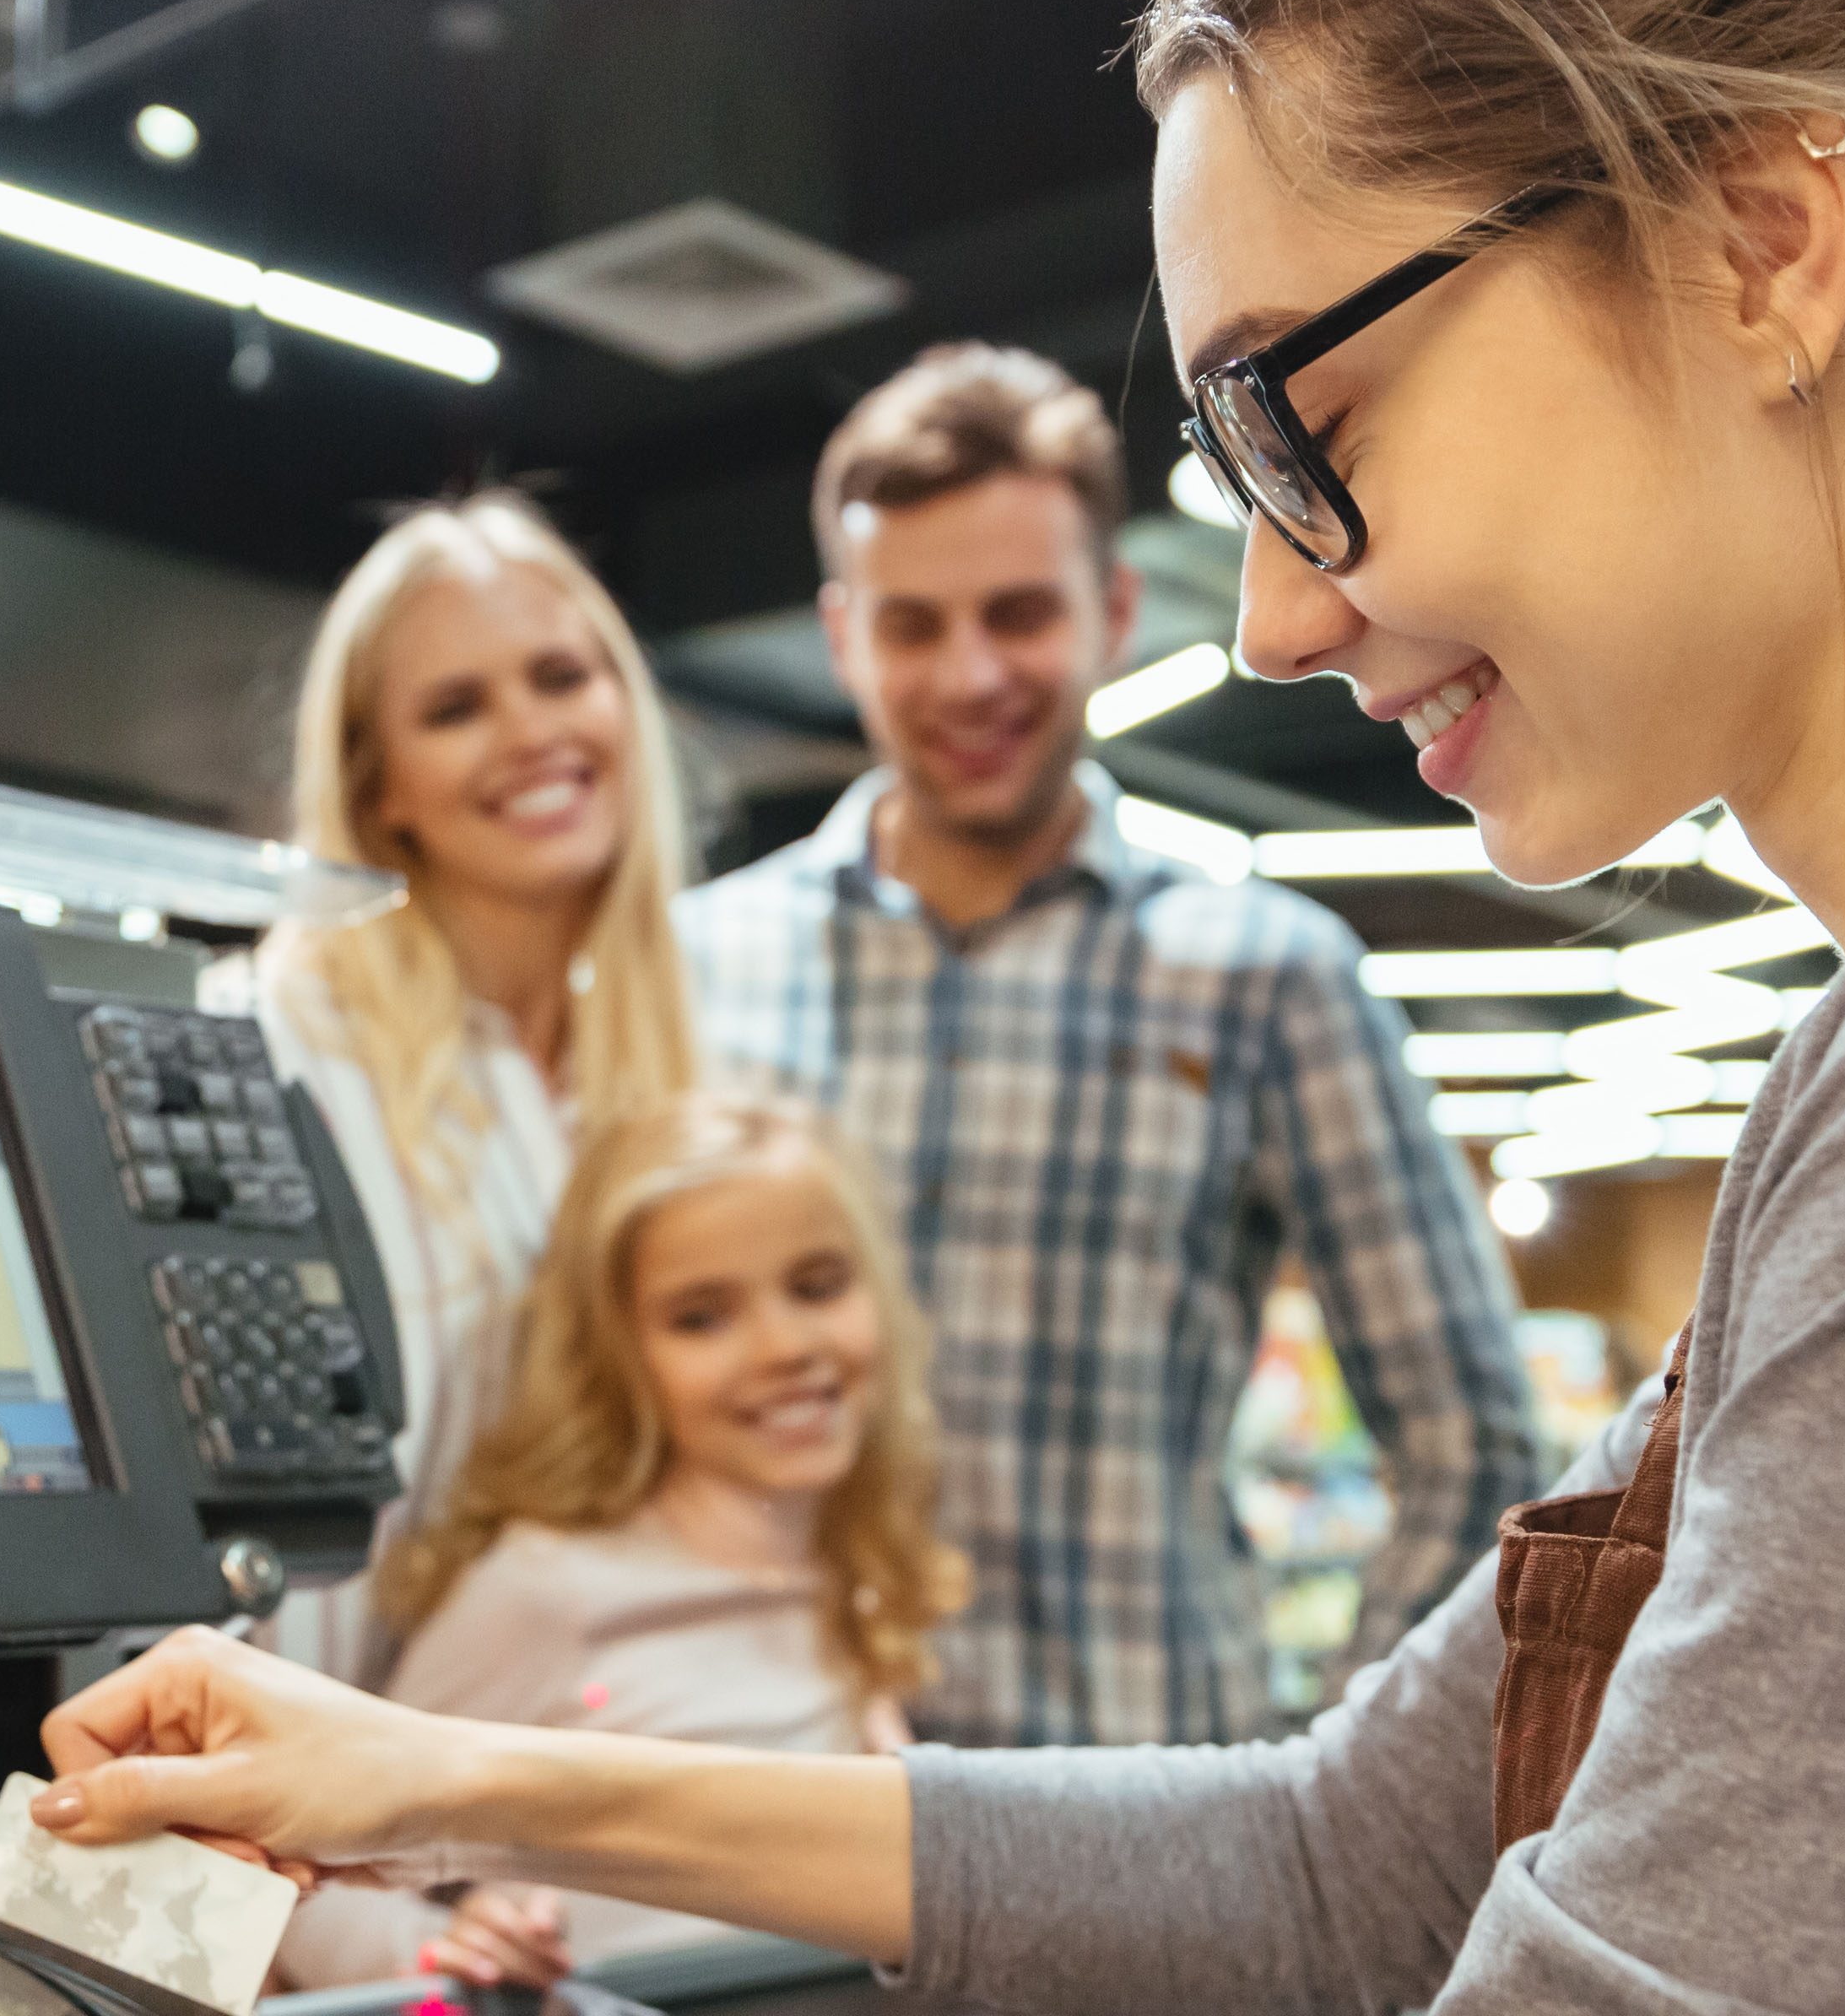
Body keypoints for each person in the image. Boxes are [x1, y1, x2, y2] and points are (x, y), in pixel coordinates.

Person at [19, 0, 1845, 2006]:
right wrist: (428, 1771)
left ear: (1765, 242)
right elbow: (1352, 1865)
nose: (1267, 602)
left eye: (1294, 416)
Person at [671, 341, 1540, 1748]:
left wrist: (1337, 1788)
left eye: (1020, 613)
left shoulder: (1268, 978)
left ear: (1114, 611)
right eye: (912, 624)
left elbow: (1475, 1449)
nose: (969, 673)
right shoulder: (692, 971)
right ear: (843, 637)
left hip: (1138, 1842)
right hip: (762, 1822)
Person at [270, 1090, 966, 1992]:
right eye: (702, 1318)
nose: (786, 1345)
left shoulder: (849, 1565)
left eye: (817, 1286)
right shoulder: (550, 1593)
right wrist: (442, 1954)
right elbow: (310, 1874)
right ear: (617, 1357)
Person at [247, 491, 706, 1675]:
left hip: (525, 1804)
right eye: (455, 708)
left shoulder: (667, 1074)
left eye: (560, 676)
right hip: (285, 1798)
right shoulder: (276, 1049)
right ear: (377, 782)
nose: (529, 733)